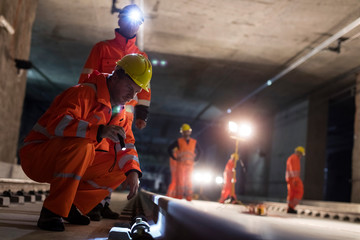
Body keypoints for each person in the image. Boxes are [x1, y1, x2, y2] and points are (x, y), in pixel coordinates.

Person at [19, 54, 152, 231]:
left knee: (124, 166)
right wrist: (98, 131)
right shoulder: (83, 93)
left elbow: (127, 144)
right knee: (83, 145)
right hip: (39, 156)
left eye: (136, 91)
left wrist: (134, 171)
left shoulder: (121, 113)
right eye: (129, 87)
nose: (131, 96)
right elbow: (57, 124)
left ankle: (73, 205)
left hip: (71, 158)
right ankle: (52, 212)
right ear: (116, 75)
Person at [79, 4, 151, 220]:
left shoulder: (141, 56)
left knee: (118, 157)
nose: (132, 24)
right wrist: (84, 107)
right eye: (128, 19)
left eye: (137, 21)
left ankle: (103, 202)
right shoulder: (102, 49)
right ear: (119, 20)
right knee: (96, 154)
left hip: (124, 118)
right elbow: (86, 79)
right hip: (100, 112)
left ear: (140, 25)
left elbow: (145, 90)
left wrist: (141, 115)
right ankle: (87, 201)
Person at [167, 123, 201, 201]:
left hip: (190, 165)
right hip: (181, 165)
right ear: (182, 133)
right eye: (184, 131)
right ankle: (179, 196)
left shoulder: (194, 142)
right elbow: (169, 149)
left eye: (187, 131)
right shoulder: (179, 141)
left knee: (189, 181)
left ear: (189, 132)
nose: (186, 133)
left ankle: (189, 197)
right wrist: (174, 158)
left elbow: (200, 152)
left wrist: (196, 160)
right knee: (180, 181)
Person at [285, 146, 305, 214]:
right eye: (301, 154)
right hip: (294, 179)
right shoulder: (295, 158)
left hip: (290, 179)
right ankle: (291, 207)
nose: (301, 156)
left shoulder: (291, 158)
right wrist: (295, 180)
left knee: (291, 193)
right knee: (299, 191)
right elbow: (294, 169)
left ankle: (290, 207)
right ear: (299, 153)